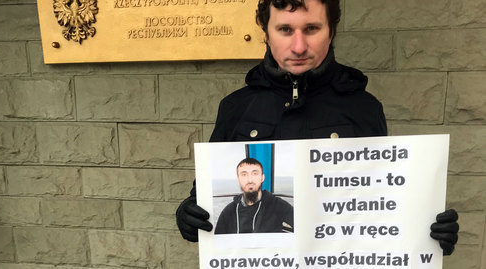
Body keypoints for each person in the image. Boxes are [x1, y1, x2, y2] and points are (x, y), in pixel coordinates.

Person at [176, 0, 459, 255]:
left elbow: (380, 202)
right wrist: (190, 215)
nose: (299, 46)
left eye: (311, 28)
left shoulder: (363, 107)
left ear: (331, 31)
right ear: (266, 33)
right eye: (285, 30)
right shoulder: (236, 107)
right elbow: (202, 195)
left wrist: (427, 233)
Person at [215, 158, 293, 234]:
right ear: (238, 179)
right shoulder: (228, 211)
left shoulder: (278, 205)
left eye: (255, 174)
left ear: (262, 178)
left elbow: (302, 225)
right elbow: (217, 242)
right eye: (244, 174)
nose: (250, 180)